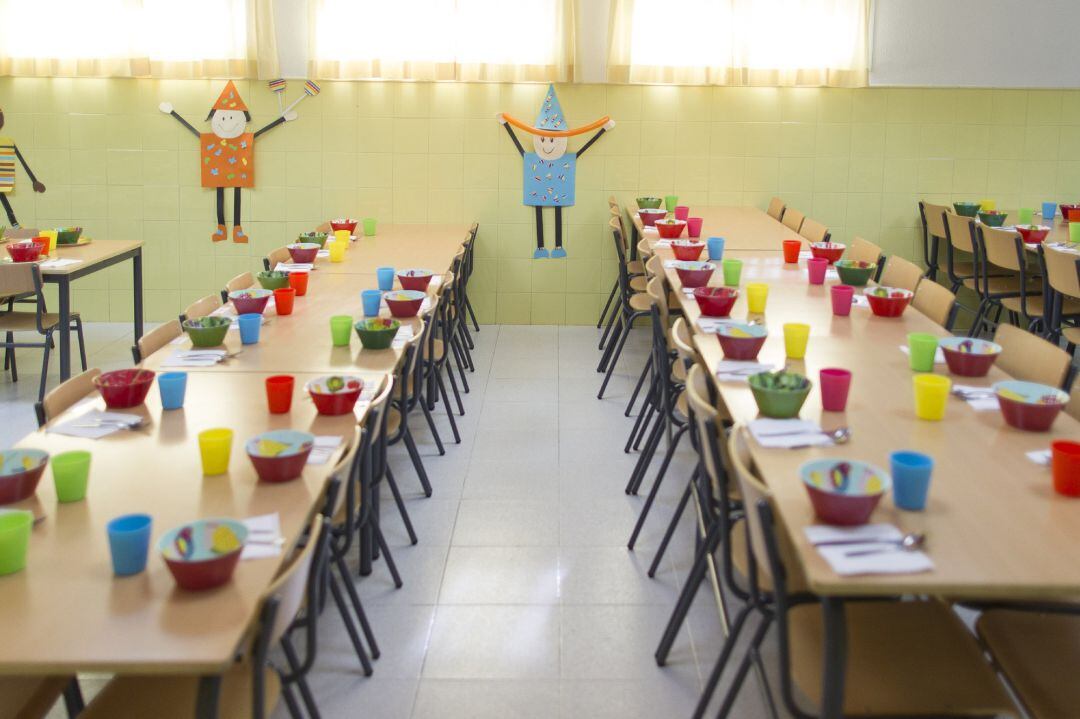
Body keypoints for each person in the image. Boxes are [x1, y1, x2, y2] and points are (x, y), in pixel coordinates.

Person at [159, 81, 296, 243]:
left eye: (232, 117)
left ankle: (237, 228)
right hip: (219, 169)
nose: (228, 123)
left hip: (237, 168)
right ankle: (221, 227)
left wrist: (282, 119)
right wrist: (173, 112)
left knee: (236, 192)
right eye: (224, 117)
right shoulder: (211, 140)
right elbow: (193, 130)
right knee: (220, 191)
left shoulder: (244, 139)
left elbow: (261, 131)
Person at [499, 85, 614, 258]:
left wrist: (603, 130)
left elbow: (584, 147)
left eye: (552, 139)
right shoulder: (534, 159)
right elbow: (518, 145)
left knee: (557, 211)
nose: (547, 145)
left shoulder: (565, 160)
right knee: (540, 209)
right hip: (539, 190)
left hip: (557, 188)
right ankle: (541, 247)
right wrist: (507, 125)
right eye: (543, 139)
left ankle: (558, 246)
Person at [0, 107, 46, 229]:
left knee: (4, 200)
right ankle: (15, 224)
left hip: (3, 179)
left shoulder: (8, 142)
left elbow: (22, 161)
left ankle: (15, 224)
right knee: (4, 200)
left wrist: (34, 180)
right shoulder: (7, 141)